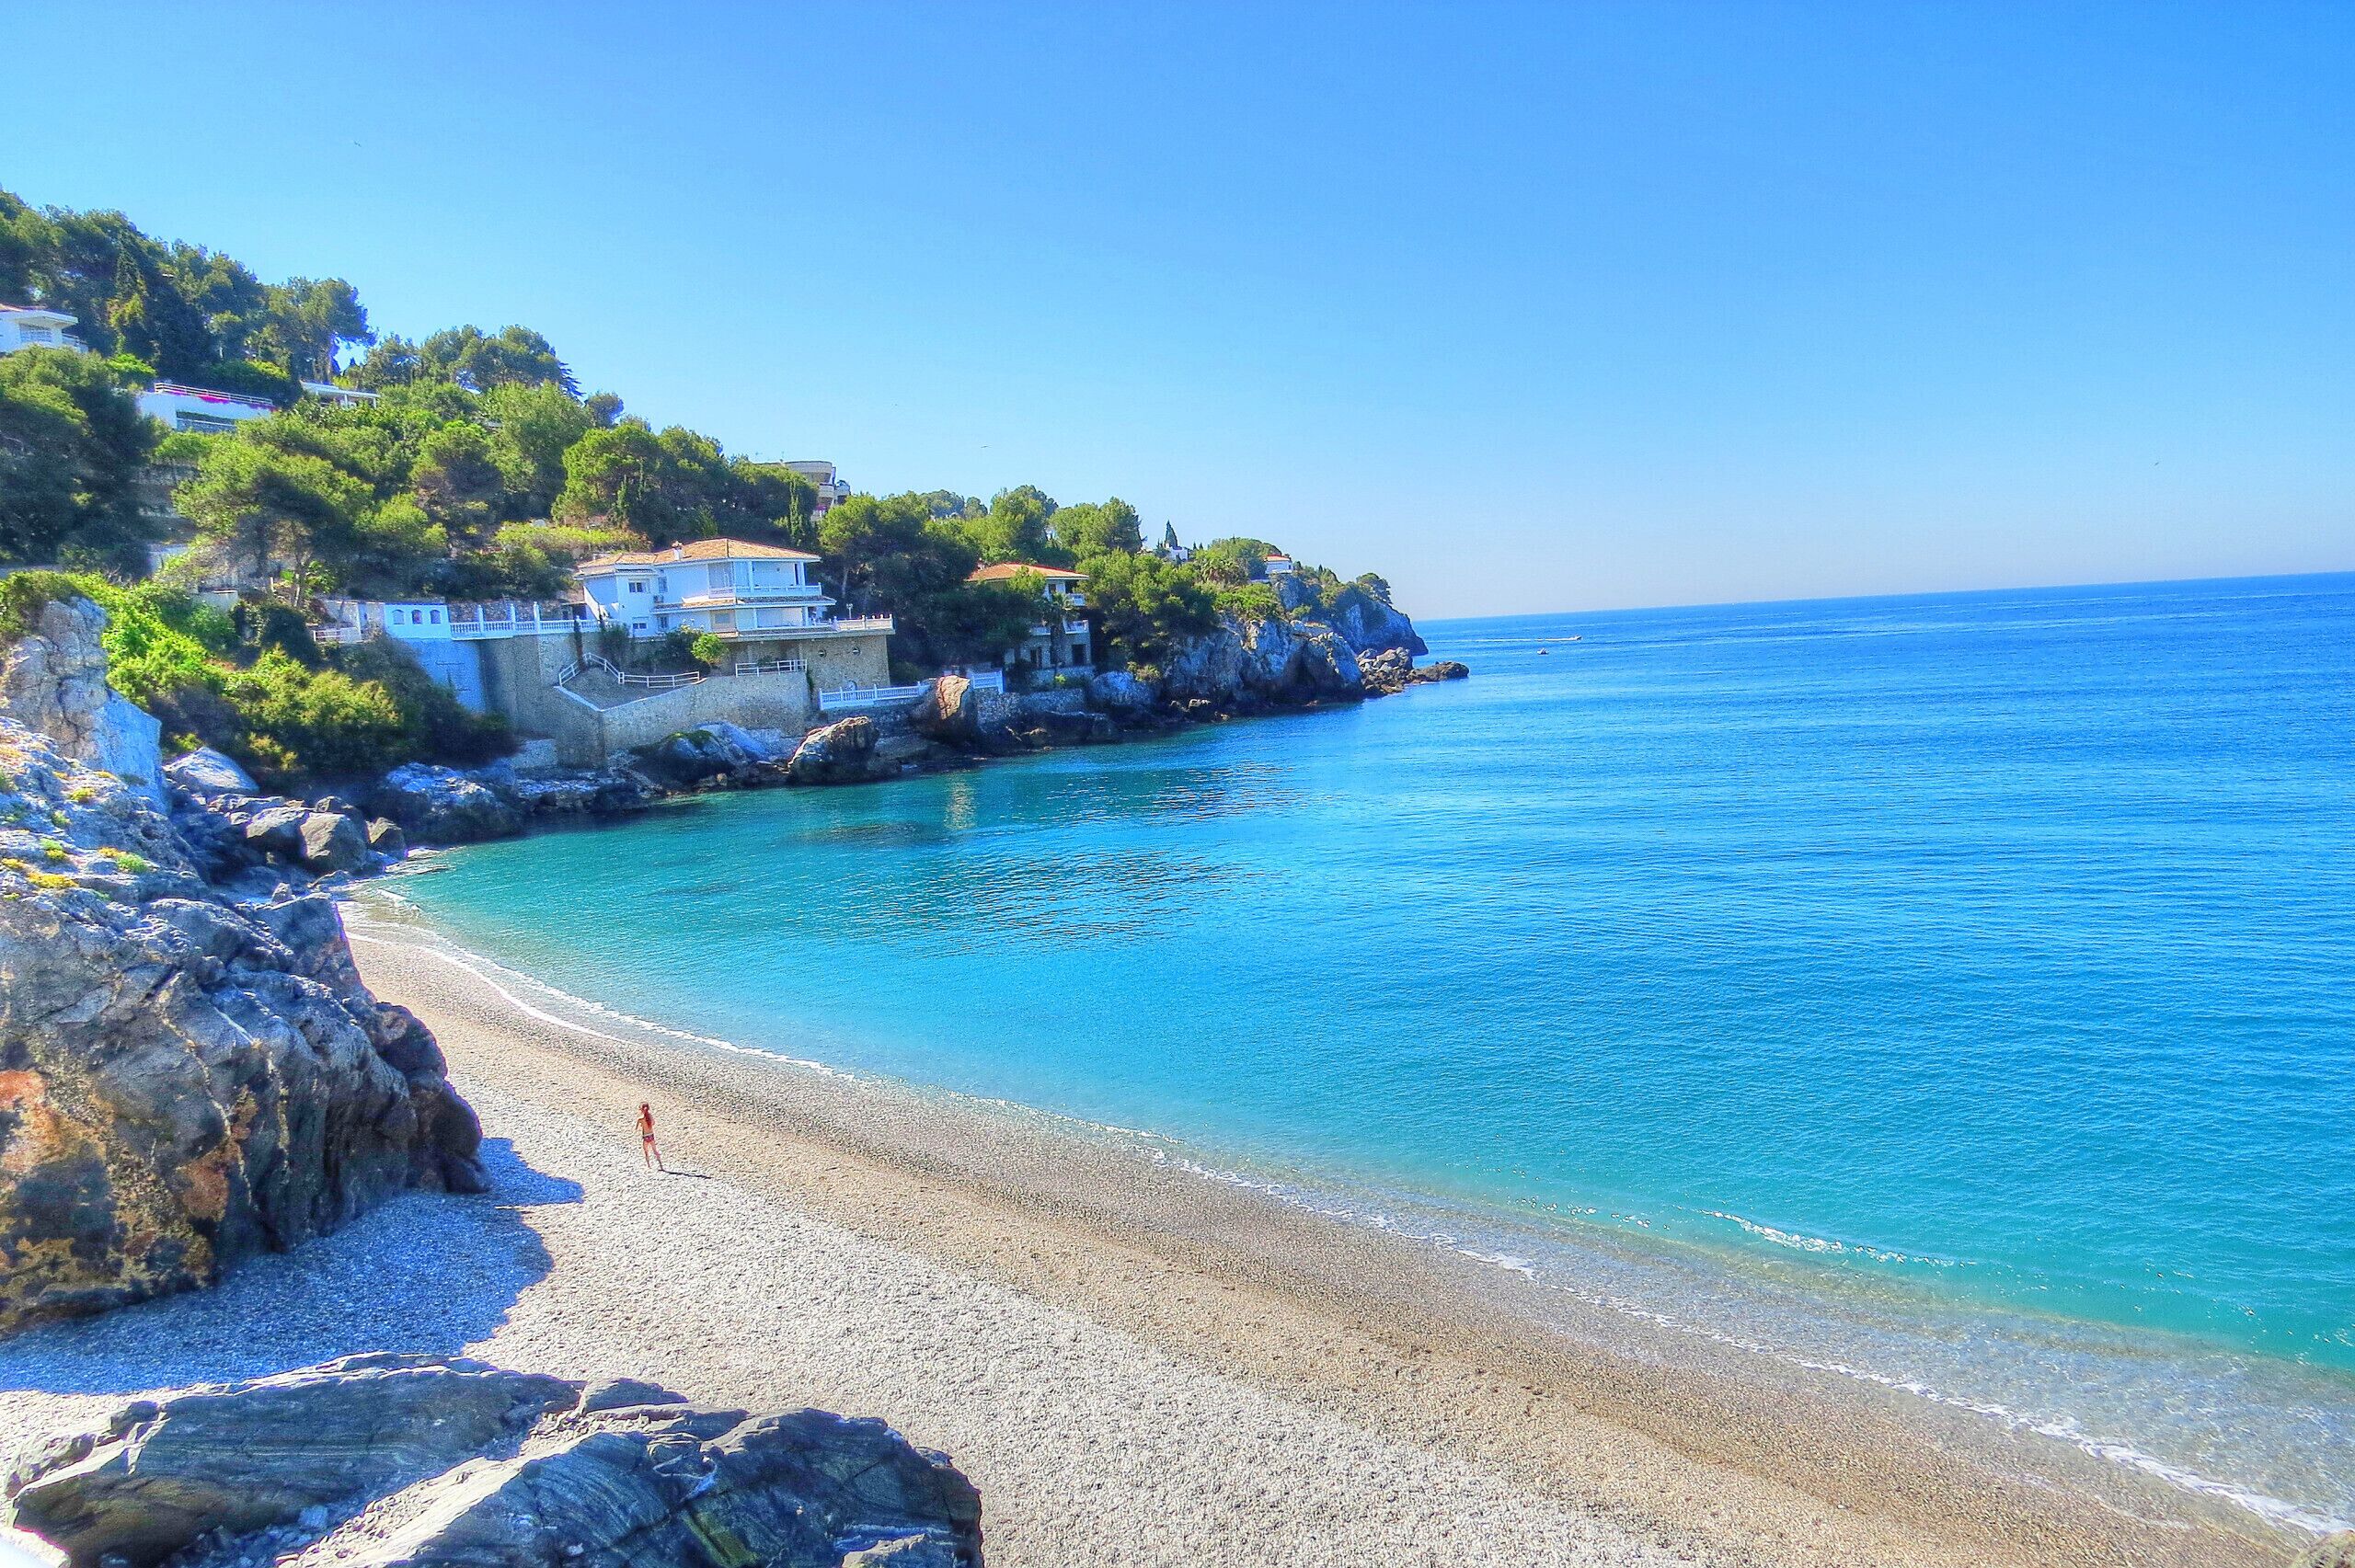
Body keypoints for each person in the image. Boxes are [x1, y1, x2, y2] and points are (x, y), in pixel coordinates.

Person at [637, 1103, 663, 1172]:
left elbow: (636, 1128)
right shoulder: (650, 1116)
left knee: (646, 1151)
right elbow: (653, 1123)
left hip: (645, 1136)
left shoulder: (640, 1119)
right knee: (655, 1150)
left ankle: (649, 1165)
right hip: (651, 1135)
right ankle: (661, 1165)